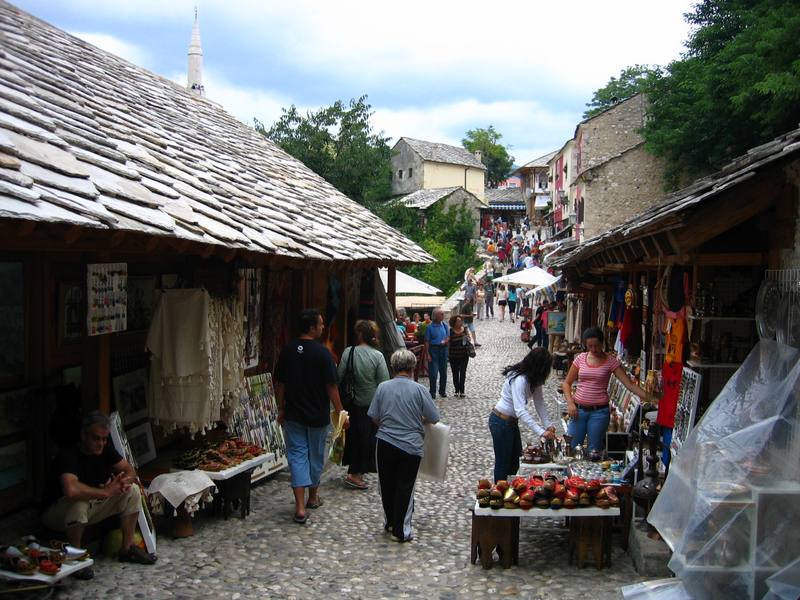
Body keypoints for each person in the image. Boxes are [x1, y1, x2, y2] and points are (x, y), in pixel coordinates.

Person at [43, 411, 156, 579]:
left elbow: (130, 471)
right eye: (96, 439)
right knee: (79, 504)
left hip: (93, 505)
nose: (101, 444)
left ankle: (126, 549)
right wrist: (105, 491)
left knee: (131, 491)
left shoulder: (105, 449)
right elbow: (71, 489)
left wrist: (122, 482)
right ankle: (77, 558)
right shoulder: (68, 454)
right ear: (83, 435)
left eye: (104, 439)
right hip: (58, 512)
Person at [275, 309, 347, 524]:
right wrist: (341, 412)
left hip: (294, 414)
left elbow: (280, 384)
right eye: (321, 324)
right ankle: (313, 497)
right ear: (312, 327)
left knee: (297, 457)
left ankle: (299, 507)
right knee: (315, 457)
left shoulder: (287, 350)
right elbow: (331, 386)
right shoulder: (323, 353)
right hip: (317, 415)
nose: (323, 327)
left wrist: (281, 409)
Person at [369, 349, 440, 542]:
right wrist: (419, 420)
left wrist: (387, 425)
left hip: (385, 442)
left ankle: (391, 521)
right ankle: (401, 530)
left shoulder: (383, 388)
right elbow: (434, 417)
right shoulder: (419, 390)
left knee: (387, 484)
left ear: (393, 367)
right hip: (411, 445)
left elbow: (374, 416)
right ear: (412, 367)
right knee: (405, 487)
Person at [562, 326, 658, 452]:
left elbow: (629, 385)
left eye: (596, 345)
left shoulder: (610, 362)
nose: (593, 349)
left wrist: (651, 398)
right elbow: (567, 383)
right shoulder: (580, 358)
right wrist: (570, 403)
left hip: (599, 413)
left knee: (594, 451)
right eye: (590, 346)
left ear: (602, 343)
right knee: (571, 447)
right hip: (578, 411)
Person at [488, 348, 556, 482]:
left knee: (515, 462)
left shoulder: (534, 379)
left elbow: (539, 402)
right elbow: (520, 410)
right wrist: (541, 432)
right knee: (503, 463)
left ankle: (509, 491)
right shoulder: (520, 379)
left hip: (511, 422)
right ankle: (499, 494)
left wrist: (548, 425)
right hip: (501, 421)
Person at [338, 320, 390, 490]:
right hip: (372, 404)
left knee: (354, 437)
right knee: (366, 438)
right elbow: (384, 382)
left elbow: (339, 377)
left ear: (359, 334)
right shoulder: (377, 356)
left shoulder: (349, 352)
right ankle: (356, 474)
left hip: (351, 402)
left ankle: (354, 471)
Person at [424, 308, 449, 398]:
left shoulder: (445, 325)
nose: (443, 316)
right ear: (436, 316)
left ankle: (442, 391)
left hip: (443, 349)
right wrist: (428, 354)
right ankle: (432, 392)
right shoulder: (429, 327)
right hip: (434, 349)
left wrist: (446, 341)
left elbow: (448, 337)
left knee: (443, 372)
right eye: (441, 314)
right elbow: (427, 341)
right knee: (433, 373)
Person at [448, 315, 471, 398]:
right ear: (454, 323)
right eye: (458, 321)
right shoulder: (450, 331)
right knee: (455, 373)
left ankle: (462, 390)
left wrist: (468, 338)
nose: (460, 322)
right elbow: (448, 343)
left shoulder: (464, 329)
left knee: (462, 373)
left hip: (464, 355)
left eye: (460, 321)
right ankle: (456, 389)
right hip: (453, 356)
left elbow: (469, 338)